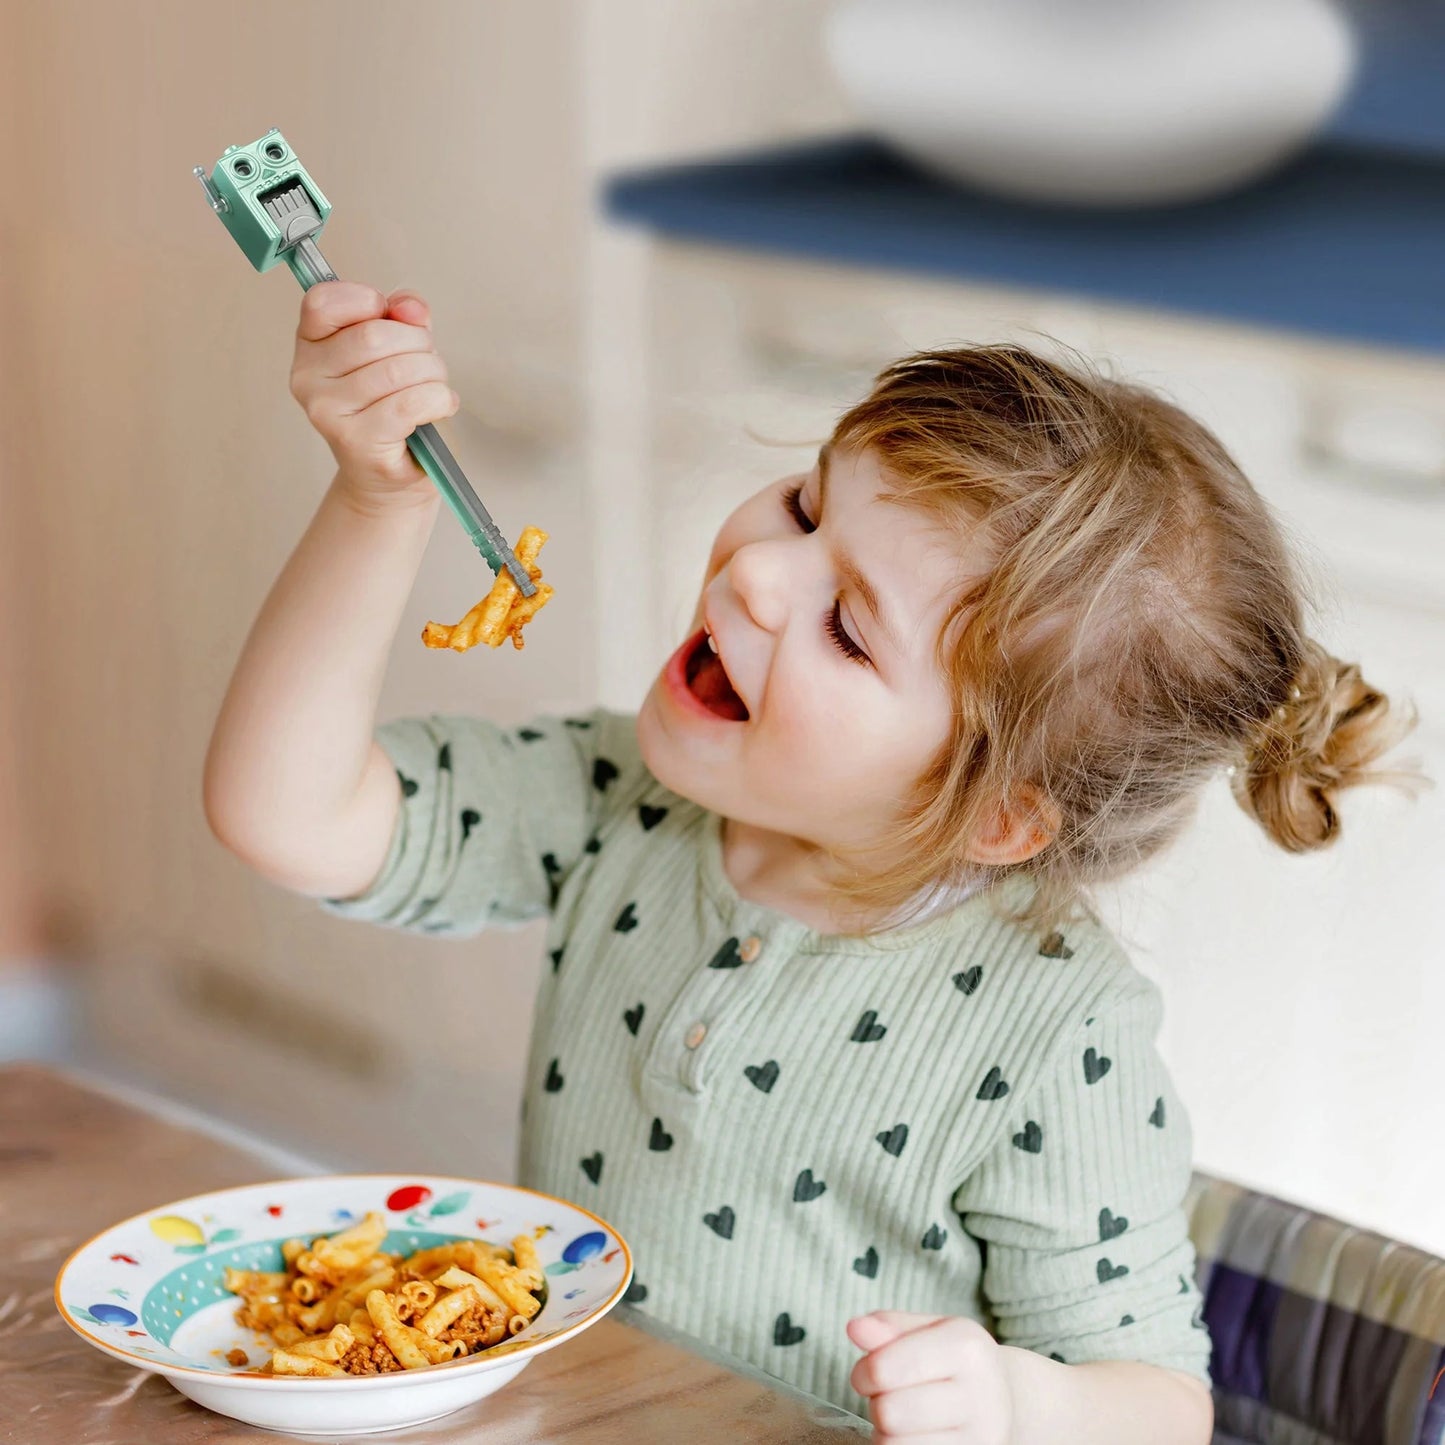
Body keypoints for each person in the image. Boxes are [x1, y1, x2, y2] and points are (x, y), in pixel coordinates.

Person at [204, 281, 1417, 1443]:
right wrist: (377, 504)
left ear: (997, 816)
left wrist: (1016, 1410)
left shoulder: (1054, 1030)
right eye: (802, 505)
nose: (751, 571)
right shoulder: (615, 793)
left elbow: (1159, 1404)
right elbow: (287, 813)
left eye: (846, 625)